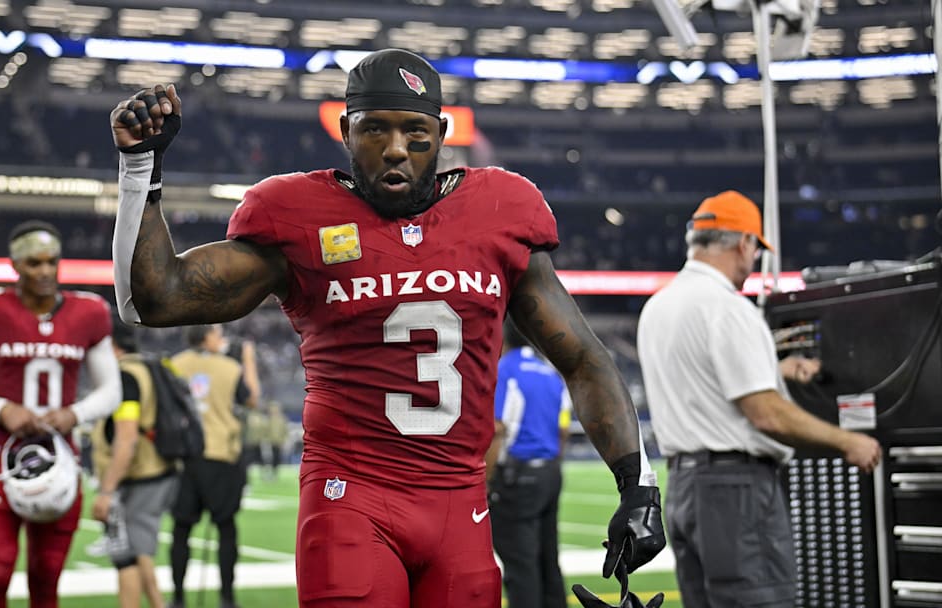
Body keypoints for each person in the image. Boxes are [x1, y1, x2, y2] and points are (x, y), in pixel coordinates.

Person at [109, 48, 665, 607]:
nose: (395, 148)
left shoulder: (501, 209)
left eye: (414, 131)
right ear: (347, 131)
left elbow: (583, 359)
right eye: (375, 129)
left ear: (442, 133)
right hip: (350, 498)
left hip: (461, 507)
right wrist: (141, 171)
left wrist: (638, 487)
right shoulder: (299, 216)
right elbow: (152, 300)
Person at [636, 190, 882, 608]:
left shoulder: (658, 306)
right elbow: (766, 414)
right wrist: (849, 441)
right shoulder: (728, 309)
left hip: (684, 487)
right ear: (744, 242)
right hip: (736, 488)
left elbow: (704, 383)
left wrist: (775, 371)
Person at [0, 220, 121, 608]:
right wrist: (1, 408)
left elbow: (111, 390)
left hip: (59, 457)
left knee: (46, 576)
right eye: (34, 263)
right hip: (1, 455)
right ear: (15, 265)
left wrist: (76, 413)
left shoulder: (88, 311)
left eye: (51, 262)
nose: (44, 271)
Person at [90, 318, 178, 608]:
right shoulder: (154, 366)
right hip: (157, 469)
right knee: (139, 554)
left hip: (138, 476)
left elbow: (126, 438)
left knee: (126, 556)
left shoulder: (126, 376)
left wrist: (106, 491)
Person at [485, 319, 571, 608]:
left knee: (521, 566)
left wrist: (486, 481)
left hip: (518, 475)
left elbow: (498, 426)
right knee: (548, 560)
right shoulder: (550, 373)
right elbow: (563, 429)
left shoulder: (505, 370)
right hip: (550, 471)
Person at [167, 324, 253, 608]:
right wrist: (248, 360)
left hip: (184, 456)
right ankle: (227, 598)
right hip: (220, 455)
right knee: (226, 528)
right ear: (206, 337)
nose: (222, 339)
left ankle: (178, 597)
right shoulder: (230, 366)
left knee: (181, 529)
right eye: (217, 333)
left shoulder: (173, 364)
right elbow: (250, 399)